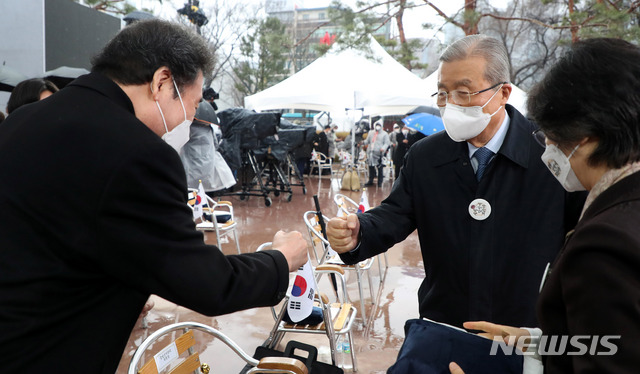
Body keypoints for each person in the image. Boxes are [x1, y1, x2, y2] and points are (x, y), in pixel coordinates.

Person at [0, 19, 307, 373]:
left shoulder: (22, 121)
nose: (188, 119)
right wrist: (280, 260)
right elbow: (207, 284)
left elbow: (58, 238)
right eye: (191, 105)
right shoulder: (137, 152)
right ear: (161, 82)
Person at [327, 34, 585, 331]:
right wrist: (359, 231)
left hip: (525, 330)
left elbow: (583, 237)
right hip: (446, 323)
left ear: (503, 93)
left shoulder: (550, 153)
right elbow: (395, 214)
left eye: (463, 92)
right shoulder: (425, 156)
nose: (451, 104)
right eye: (443, 93)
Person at [449, 37, 640, 374]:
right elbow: (610, 340)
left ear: (588, 137)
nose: (547, 146)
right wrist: (534, 341)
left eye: (551, 135)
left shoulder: (605, 244)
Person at [364, 119, 390, 187]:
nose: (377, 127)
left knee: (379, 168)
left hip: (379, 153)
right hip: (371, 152)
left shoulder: (384, 134)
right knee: (371, 167)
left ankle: (379, 182)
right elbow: (367, 141)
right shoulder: (371, 133)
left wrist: (383, 148)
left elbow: (387, 143)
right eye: (376, 125)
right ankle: (370, 180)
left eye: (379, 125)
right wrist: (362, 142)